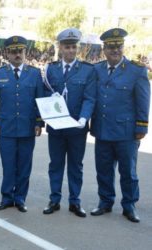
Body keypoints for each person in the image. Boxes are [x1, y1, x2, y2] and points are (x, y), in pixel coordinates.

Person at [90, 28, 150, 223]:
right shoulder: (96, 69)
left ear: (123, 47)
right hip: (102, 130)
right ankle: (105, 202)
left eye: (118, 46)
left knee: (128, 172)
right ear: (104, 49)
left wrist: (141, 127)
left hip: (126, 133)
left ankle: (129, 205)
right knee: (103, 170)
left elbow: (143, 101)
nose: (115, 50)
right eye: (111, 47)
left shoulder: (137, 70)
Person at [42, 28, 96, 218]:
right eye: (67, 47)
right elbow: (44, 92)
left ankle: (75, 201)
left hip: (76, 128)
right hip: (56, 128)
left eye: (74, 47)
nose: (71, 50)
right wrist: (51, 96)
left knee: (75, 165)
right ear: (60, 48)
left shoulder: (87, 70)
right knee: (55, 164)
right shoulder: (51, 69)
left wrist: (84, 117)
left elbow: (90, 98)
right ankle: (54, 200)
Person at [0, 36, 44, 212]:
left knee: (24, 166)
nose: (17, 54)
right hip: (6, 128)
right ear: (7, 53)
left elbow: (40, 100)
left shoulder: (34, 74)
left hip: (27, 128)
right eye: (13, 51)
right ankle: (6, 197)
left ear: (25, 52)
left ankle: (20, 198)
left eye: (20, 51)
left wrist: (38, 122)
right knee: (8, 165)